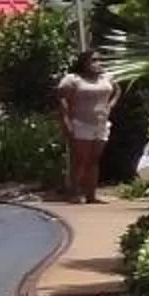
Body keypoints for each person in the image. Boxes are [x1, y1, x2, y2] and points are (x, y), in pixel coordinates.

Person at [54, 50, 117, 205]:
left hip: (101, 123)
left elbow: (116, 90)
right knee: (80, 159)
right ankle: (75, 192)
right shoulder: (73, 79)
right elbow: (62, 100)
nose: (96, 63)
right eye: (92, 60)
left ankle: (91, 195)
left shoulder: (106, 77)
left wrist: (110, 105)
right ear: (83, 62)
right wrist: (66, 122)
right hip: (81, 123)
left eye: (98, 60)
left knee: (94, 159)